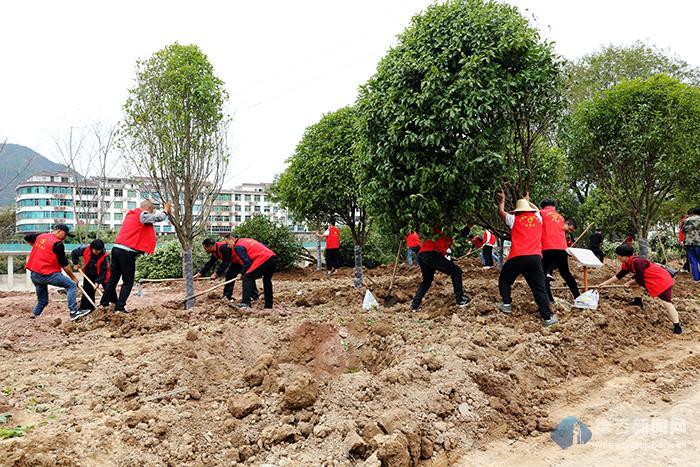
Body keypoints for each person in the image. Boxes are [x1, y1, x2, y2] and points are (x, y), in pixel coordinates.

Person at [496, 192, 558, 327]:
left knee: (504, 280)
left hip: (516, 257)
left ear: (518, 211)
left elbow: (501, 212)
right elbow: (536, 209)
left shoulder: (513, 219)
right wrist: (527, 200)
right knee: (539, 288)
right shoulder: (538, 218)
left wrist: (502, 200)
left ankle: (506, 304)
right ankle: (547, 318)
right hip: (534, 259)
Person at [100, 199, 172, 313]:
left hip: (116, 249)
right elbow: (157, 218)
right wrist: (166, 211)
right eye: (151, 211)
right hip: (127, 252)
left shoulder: (131, 215)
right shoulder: (142, 215)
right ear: (148, 209)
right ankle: (119, 307)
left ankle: (103, 304)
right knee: (128, 281)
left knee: (113, 279)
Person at [597, 244, 682, 334]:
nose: (617, 257)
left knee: (666, 302)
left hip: (660, 279)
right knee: (635, 282)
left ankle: (677, 325)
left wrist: (630, 282)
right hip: (649, 279)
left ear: (624, 256)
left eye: (618, 255)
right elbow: (620, 275)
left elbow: (640, 278)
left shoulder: (638, 262)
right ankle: (638, 301)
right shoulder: (627, 263)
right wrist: (604, 284)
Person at [25, 224, 91, 321]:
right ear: (59, 231)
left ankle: (33, 316)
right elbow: (64, 264)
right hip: (47, 274)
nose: (65, 237)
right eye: (65, 234)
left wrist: (36, 247)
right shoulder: (58, 244)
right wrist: (73, 278)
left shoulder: (40, 236)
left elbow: (26, 237)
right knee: (71, 285)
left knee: (43, 301)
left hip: (35, 275)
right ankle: (74, 312)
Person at [410, 227, 470, 311]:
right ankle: (460, 300)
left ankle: (414, 305)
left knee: (427, 280)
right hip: (432, 254)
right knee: (456, 272)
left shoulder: (436, 229)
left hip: (422, 255)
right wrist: (469, 225)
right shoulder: (444, 229)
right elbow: (460, 234)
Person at [540, 199, 580, 303]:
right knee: (566, 273)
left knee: (542, 274)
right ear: (554, 207)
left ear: (543, 206)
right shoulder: (560, 217)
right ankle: (578, 297)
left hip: (547, 248)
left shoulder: (541, 213)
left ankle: (550, 300)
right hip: (562, 249)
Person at [194, 238, 259, 302]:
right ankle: (227, 297)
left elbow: (226, 262)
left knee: (247, 277)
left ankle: (254, 296)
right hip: (235, 262)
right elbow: (210, 263)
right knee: (229, 275)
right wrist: (199, 274)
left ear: (211, 246)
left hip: (242, 261)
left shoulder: (223, 247)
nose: (205, 250)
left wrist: (217, 273)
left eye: (205, 248)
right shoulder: (214, 251)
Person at [225, 234, 277, 309]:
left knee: (247, 277)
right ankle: (268, 305)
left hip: (263, 258)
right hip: (272, 257)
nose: (228, 246)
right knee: (266, 280)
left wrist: (241, 273)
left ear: (232, 239)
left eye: (227, 243)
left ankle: (245, 303)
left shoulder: (238, 247)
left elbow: (247, 262)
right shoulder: (246, 240)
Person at [70, 239, 110, 311]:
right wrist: (76, 263)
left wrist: (98, 282)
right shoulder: (86, 249)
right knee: (88, 290)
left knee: (109, 290)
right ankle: (87, 308)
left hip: (101, 274)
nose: (96, 252)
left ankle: (109, 305)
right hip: (89, 272)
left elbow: (104, 271)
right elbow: (74, 253)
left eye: (98, 250)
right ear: (92, 248)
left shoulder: (104, 256)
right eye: (95, 250)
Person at [682, 207, 700, 282]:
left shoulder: (686, 220)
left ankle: (696, 279)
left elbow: (683, 230)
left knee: (693, 261)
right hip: (698, 242)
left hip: (688, 243)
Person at [679, 209, 692, 273]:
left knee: (689, 255)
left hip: (687, 240)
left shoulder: (687, 221)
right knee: (689, 255)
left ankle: (687, 268)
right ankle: (686, 268)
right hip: (686, 240)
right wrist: (681, 241)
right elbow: (681, 233)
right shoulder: (685, 221)